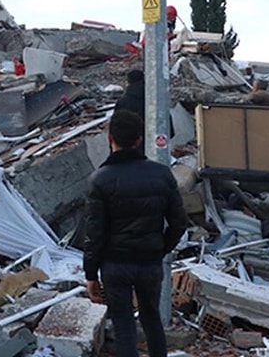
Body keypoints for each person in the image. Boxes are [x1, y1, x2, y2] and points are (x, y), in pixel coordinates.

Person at [83, 109, 187, 357]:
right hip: (149, 262)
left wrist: (91, 274)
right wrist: (160, 248)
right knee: (152, 319)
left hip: (115, 264)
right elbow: (179, 224)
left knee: (124, 325)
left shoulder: (99, 180)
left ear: (110, 138)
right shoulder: (162, 174)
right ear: (139, 139)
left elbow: (94, 234)